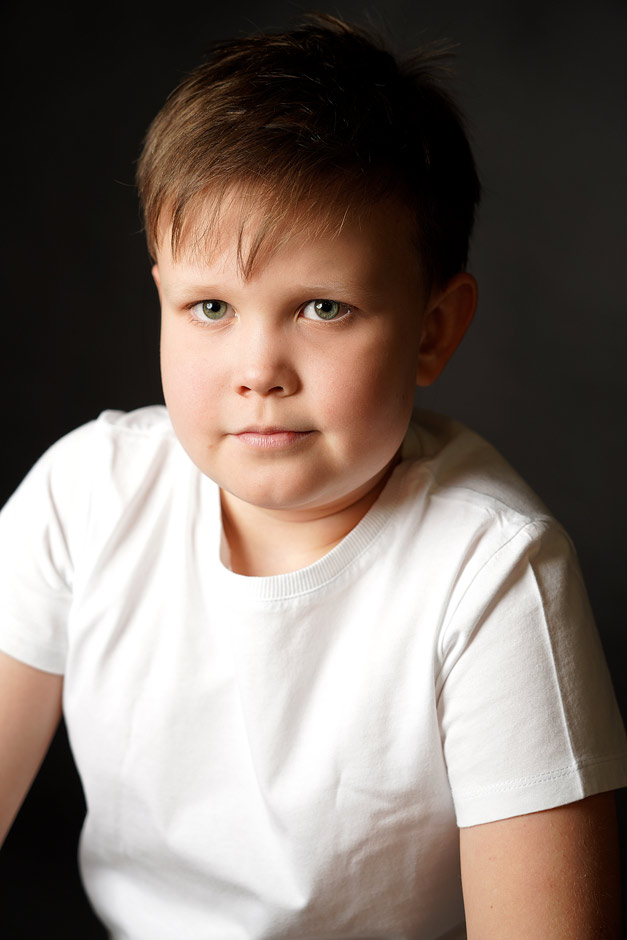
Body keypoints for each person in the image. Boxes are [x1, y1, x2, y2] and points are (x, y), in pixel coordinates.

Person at [0, 12, 625, 939]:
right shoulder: (87, 495)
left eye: (323, 308)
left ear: (432, 332)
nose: (258, 369)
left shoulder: (491, 572)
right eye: (211, 307)